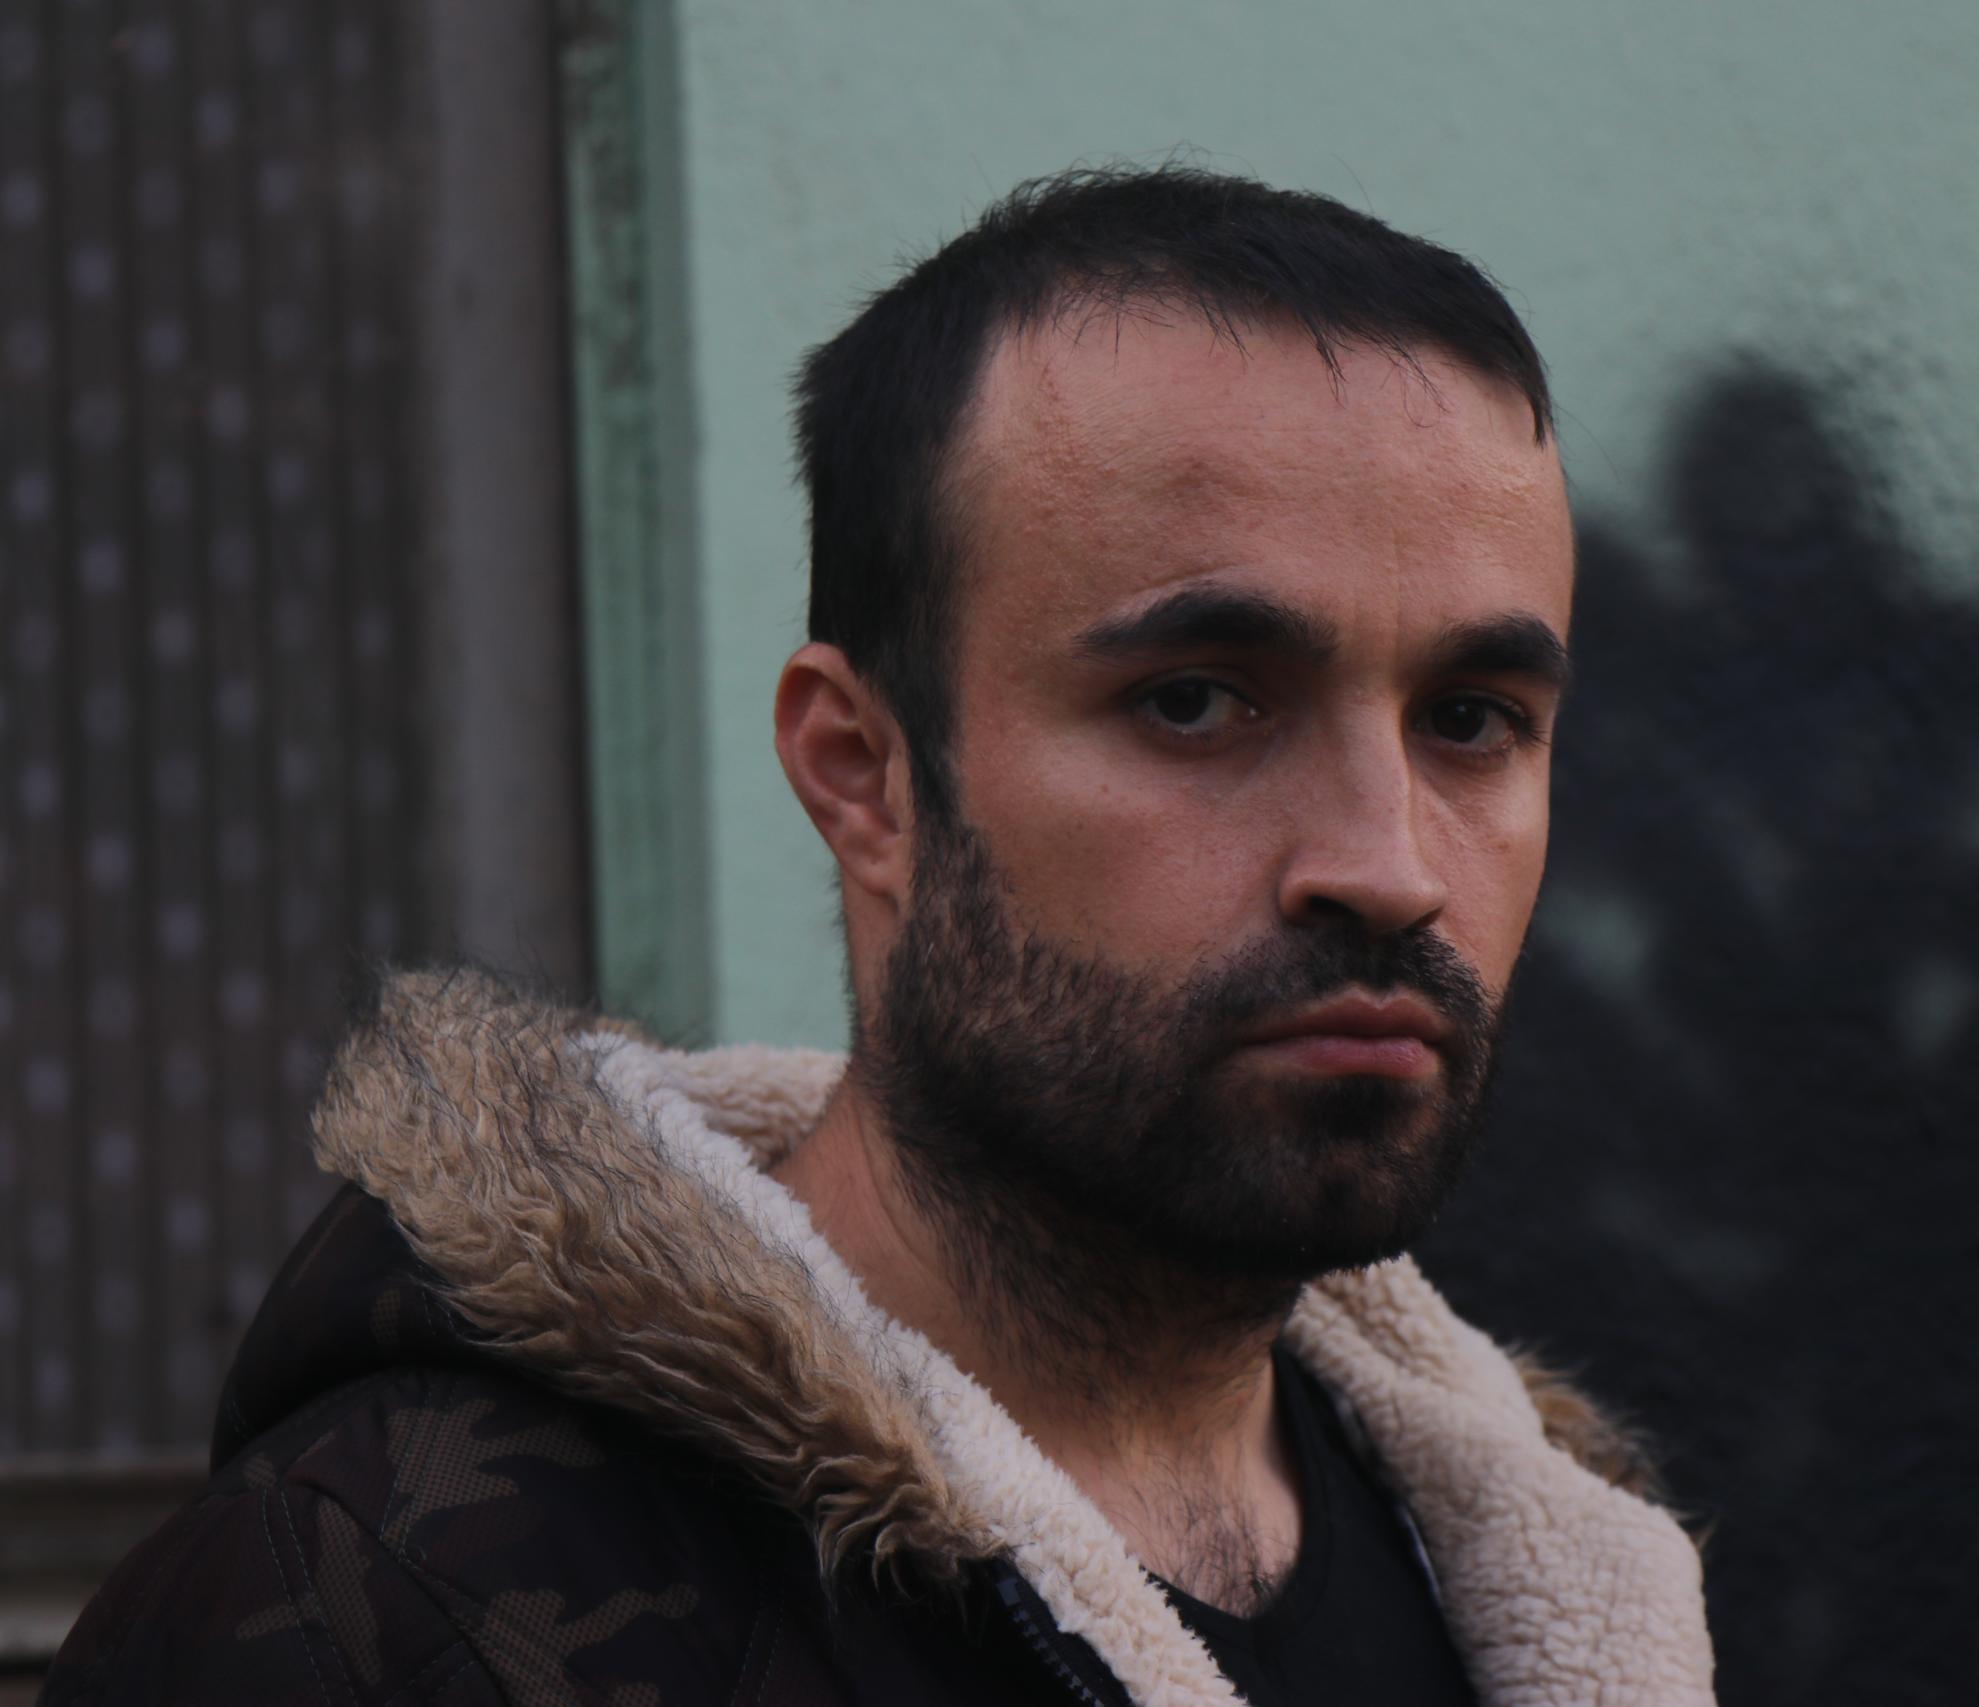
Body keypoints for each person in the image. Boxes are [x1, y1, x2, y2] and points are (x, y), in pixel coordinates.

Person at [46, 167, 1715, 1706]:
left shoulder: (1549, 1581)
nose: (1389, 867)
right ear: (865, 774)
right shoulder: (388, 1614)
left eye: (1473, 720)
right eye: (1198, 701)